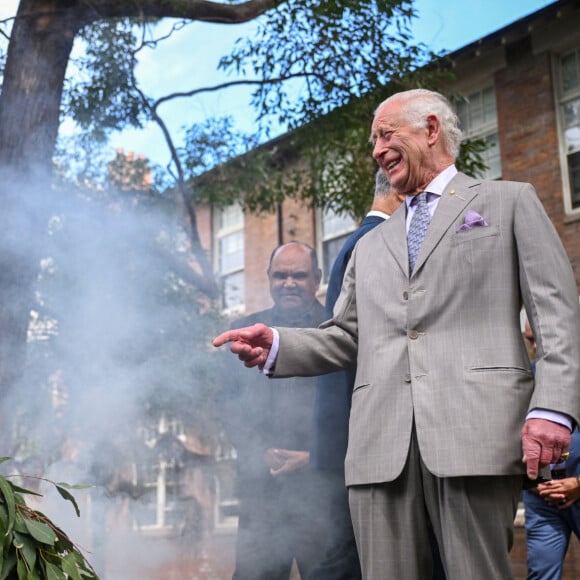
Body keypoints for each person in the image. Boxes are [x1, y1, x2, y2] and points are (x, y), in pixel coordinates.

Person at [214, 88, 580, 580]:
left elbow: (558, 316)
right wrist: (278, 344)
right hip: (377, 453)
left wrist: (552, 408)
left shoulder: (509, 202)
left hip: (472, 437)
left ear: (430, 129)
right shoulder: (369, 246)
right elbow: (345, 336)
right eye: (372, 141)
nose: (376, 150)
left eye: (385, 135)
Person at [308, 169, 403, 580]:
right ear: (399, 194)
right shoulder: (374, 243)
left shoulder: (354, 244)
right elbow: (353, 348)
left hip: (347, 442)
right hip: (366, 443)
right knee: (350, 562)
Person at [220, 241, 328, 580]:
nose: (289, 283)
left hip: (323, 496)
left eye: (299, 275)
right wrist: (257, 451)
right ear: (268, 278)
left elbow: (357, 406)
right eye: (281, 275)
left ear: (318, 278)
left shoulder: (339, 331)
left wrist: (316, 456)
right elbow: (226, 404)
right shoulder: (246, 332)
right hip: (261, 496)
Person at [523, 320, 580, 579]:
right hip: (543, 497)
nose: (536, 346)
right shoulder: (524, 380)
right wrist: (532, 480)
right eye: (530, 339)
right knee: (541, 573)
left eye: (539, 338)